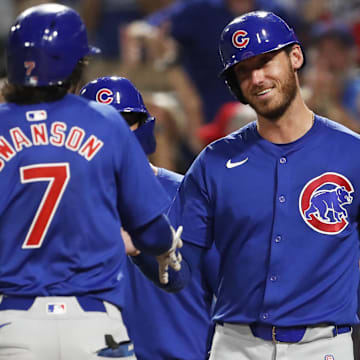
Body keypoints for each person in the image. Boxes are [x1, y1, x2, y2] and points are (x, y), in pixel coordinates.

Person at [0, 4, 186, 360]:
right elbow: (150, 231)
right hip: (92, 324)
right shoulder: (103, 121)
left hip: (13, 323)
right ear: (76, 64)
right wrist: (165, 250)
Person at [171, 10, 360, 360]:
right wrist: (142, 247)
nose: (257, 77)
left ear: (296, 57)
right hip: (235, 345)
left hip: (323, 346)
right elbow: (177, 268)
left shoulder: (353, 154)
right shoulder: (214, 162)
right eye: (244, 70)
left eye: (266, 61)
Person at [80, 76, 219, 360]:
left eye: (124, 121)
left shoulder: (190, 195)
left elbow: (230, 292)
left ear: (145, 126)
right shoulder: (64, 205)